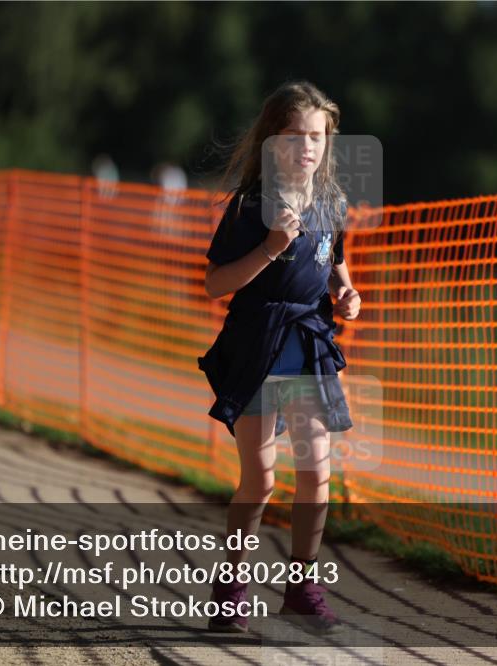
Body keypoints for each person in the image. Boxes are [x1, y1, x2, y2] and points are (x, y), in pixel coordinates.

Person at [197, 80, 361, 634]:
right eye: (293, 135)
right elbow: (215, 285)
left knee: (317, 472)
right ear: (271, 141)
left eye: (316, 136)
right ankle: (231, 588)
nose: (306, 146)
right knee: (260, 480)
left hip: (310, 345)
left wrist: (347, 294)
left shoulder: (332, 203)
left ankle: (302, 589)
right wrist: (269, 248)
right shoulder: (250, 207)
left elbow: (334, 265)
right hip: (257, 346)